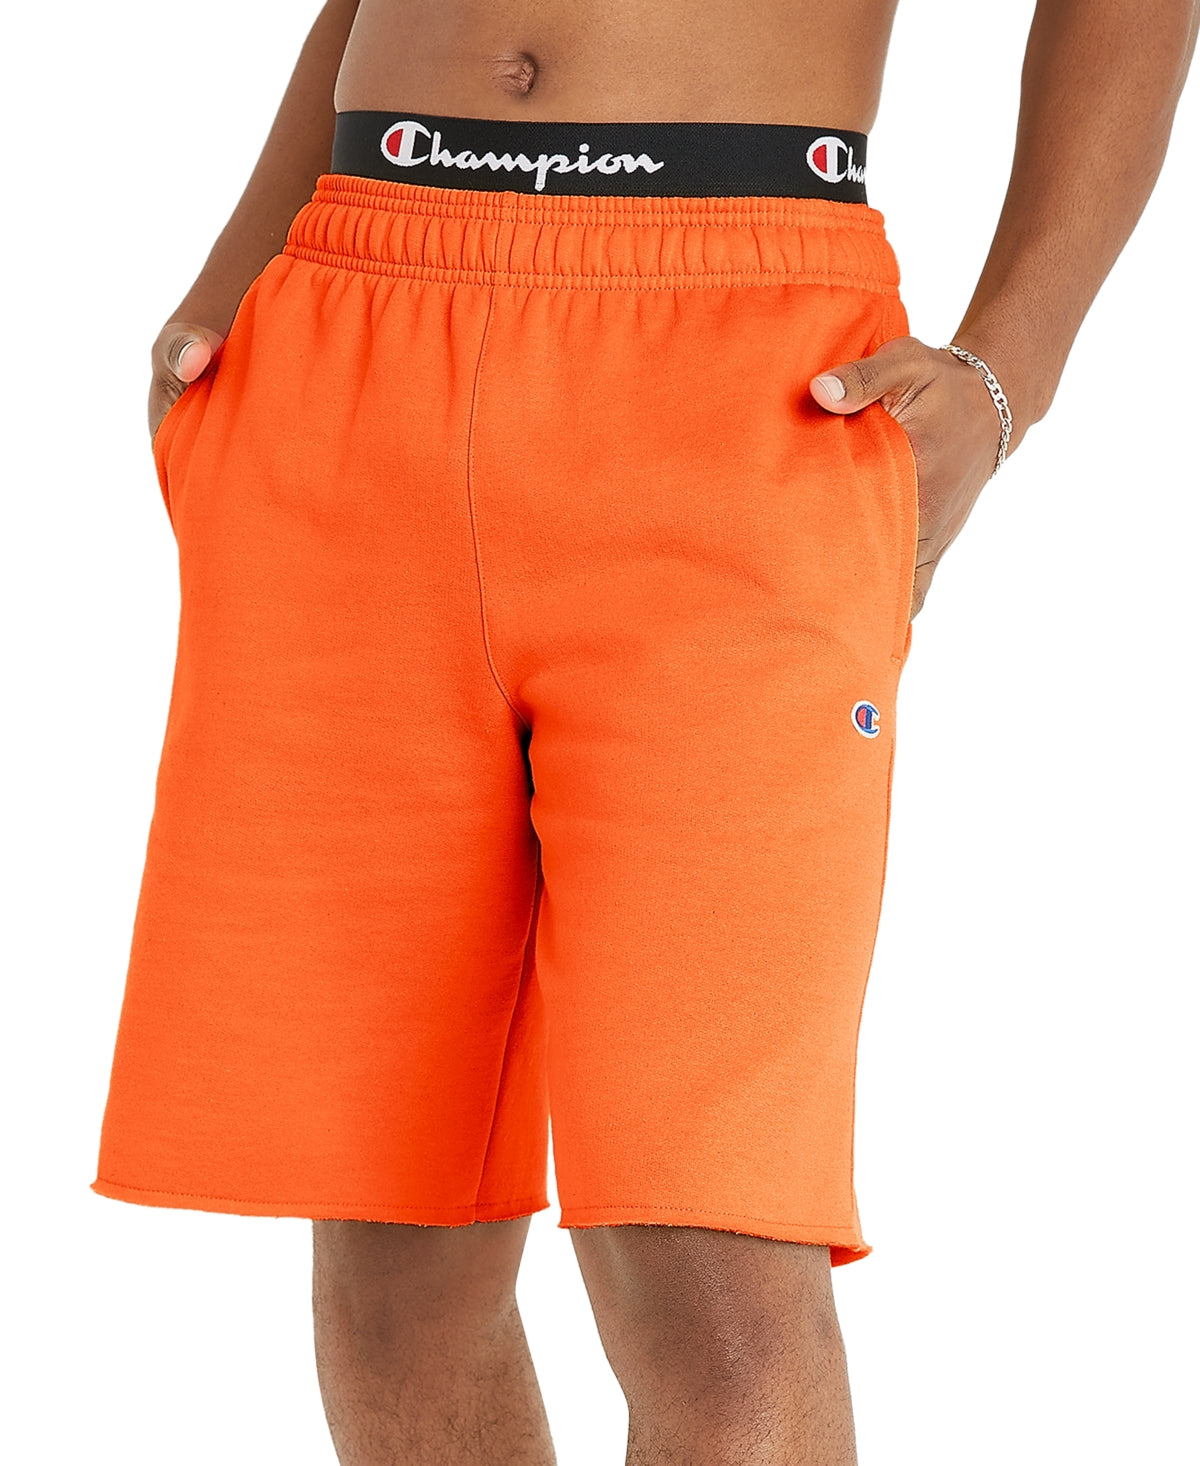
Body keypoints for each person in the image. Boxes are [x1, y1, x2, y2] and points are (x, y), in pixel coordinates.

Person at [92, 2, 1197, 1462]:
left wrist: (1008, 378)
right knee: (395, 1245)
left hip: (742, 359)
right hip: (362, 325)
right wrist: (240, 279)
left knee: (714, 1264)